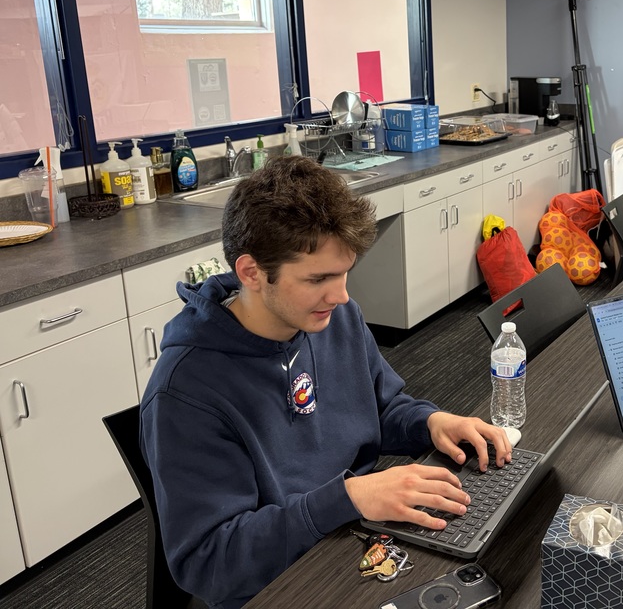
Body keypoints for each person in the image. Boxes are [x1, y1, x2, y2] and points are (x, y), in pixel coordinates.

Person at [140, 156, 511, 609]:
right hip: (284, 580)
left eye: (344, 273)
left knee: (505, 563)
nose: (342, 296)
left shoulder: (332, 317)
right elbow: (211, 563)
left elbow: (378, 407)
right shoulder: (186, 392)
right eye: (318, 279)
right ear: (251, 273)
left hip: (357, 535)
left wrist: (430, 422)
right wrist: (346, 497)